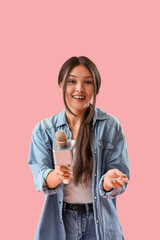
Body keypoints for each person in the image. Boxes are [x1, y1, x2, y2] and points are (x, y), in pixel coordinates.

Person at [28, 56, 130, 240]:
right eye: (72, 81)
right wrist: (56, 175)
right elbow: (39, 176)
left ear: (96, 87)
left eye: (88, 82)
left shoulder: (110, 126)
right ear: (61, 85)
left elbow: (119, 175)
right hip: (61, 219)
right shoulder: (44, 130)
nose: (79, 89)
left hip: (100, 222)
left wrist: (109, 182)